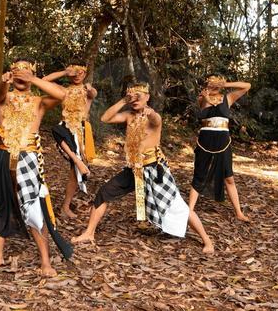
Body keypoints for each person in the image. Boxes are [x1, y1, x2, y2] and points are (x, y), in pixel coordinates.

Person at [75, 83, 214, 254]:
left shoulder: (152, 117)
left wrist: (150, 112)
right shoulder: (128, 115)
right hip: (134, 169)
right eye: (131, 96)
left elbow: (156, 119)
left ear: (148, 97)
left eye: (139, 95)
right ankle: (89, 233)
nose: (135, 100)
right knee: (104, 193)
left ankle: (207, 241)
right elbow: (105, 118)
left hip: (154, 169)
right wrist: (123, 101)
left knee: (177, 204)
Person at [0, 60, 73, 276]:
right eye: (17, 71)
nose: (21, 74)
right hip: (3, 154)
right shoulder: (4, 98)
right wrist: (3, 83)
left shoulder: (39, 101)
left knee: (33, 206)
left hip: (28, 156)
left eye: (27, 72)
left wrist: (34, 79)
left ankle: (45, 261)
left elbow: (63, 95)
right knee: (2, 203)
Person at [188, 75, 251, 221]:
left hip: (223, 141)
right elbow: (204, 108)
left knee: (229, 177)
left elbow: (247, 86)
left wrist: (226, 83)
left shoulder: (227, 98)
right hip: (205, 141)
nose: (214, 84)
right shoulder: (202, 98)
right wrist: (206, 96)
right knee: (199, 175)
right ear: (207, 84)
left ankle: (239, 212)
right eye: (211, 82)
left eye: (216, 82)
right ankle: (189, 210)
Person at [44, 64, 98, 218]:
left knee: (74, 173)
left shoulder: (87, 90)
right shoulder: (64, 90)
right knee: (76, 165)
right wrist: (64, 72)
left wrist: (89, 89)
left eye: (80, 71)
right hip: (65, 130)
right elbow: (44, 80)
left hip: (81, 132)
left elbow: (93, 93)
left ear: (85, 72)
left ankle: (65, 207)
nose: (77, 74)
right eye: (74, 72)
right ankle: (65, 206)